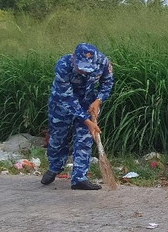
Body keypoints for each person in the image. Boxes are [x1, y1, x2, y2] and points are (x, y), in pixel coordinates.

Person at [40, 43, 113, 190]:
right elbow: (68, 99)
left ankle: (79, 178)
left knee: (84, 139)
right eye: (81, 68)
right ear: (73, 58)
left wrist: (98, 100)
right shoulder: (63, 66)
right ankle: (54, 167)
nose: (84, 71)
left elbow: (107, 82)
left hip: (87, 102)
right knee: (58, 138)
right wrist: (87, 121)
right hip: (62, 104)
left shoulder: (103, 62)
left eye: (87, 68)